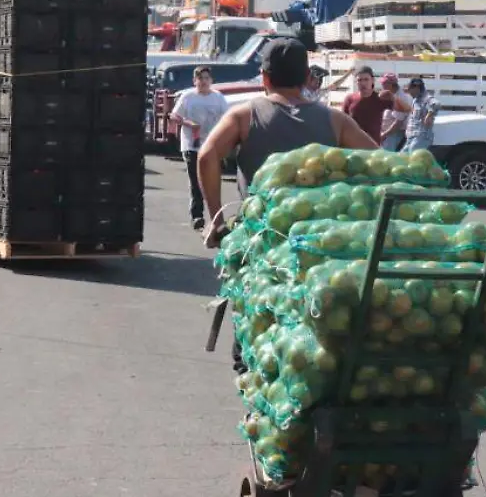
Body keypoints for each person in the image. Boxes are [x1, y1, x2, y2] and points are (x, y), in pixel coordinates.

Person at [196, 38, 378, 372]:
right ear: (308, 76)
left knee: (254, 337)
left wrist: (216, 220)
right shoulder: (334, 120)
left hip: (264, 246)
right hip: (322, 249)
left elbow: (207, 156)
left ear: (264, 78)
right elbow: (380, 162)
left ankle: (258, 401)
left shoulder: (244, 116)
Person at [170, 66, 229, 230]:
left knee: (212, 181)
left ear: (211, 80)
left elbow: (227, 117)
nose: (203, 81)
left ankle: (216, 218)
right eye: (200, 78)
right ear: (194, 81)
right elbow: (174, 115)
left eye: (206, 78)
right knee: (196, 182)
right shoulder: (188, 96)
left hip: (211, 146)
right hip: (191, 145)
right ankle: (197, 216)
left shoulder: (218, 98)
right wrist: (188, 123)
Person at [341, 65, 411, 145]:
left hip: (372, 146)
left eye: (366, 79)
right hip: (352, 145)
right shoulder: (350, 99)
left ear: (373, 80)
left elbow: (407, 109)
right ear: (356, 82)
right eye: (359, 80)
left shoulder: (381, 98)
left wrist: (393, 97)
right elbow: (343, 122)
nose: (363, 83)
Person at [402, 78, 439, 153]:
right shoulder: (415, 99)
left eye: (410, 89)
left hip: (421, 136)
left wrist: (429, 115)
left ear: (416, 88)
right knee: (402, 156)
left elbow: (436, 104)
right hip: (412, 136)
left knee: (414, 154)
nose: (409, 92)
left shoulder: (426, 98)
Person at [379, 73, 411, 152]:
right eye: (382, 83)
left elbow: (398, 123)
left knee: (387, 152)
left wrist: (384, 134)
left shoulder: (401, 98)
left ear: (392, 84)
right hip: (385, 130)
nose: (382, 85)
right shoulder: (389, 94)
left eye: (384, 83)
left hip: (394, 132)